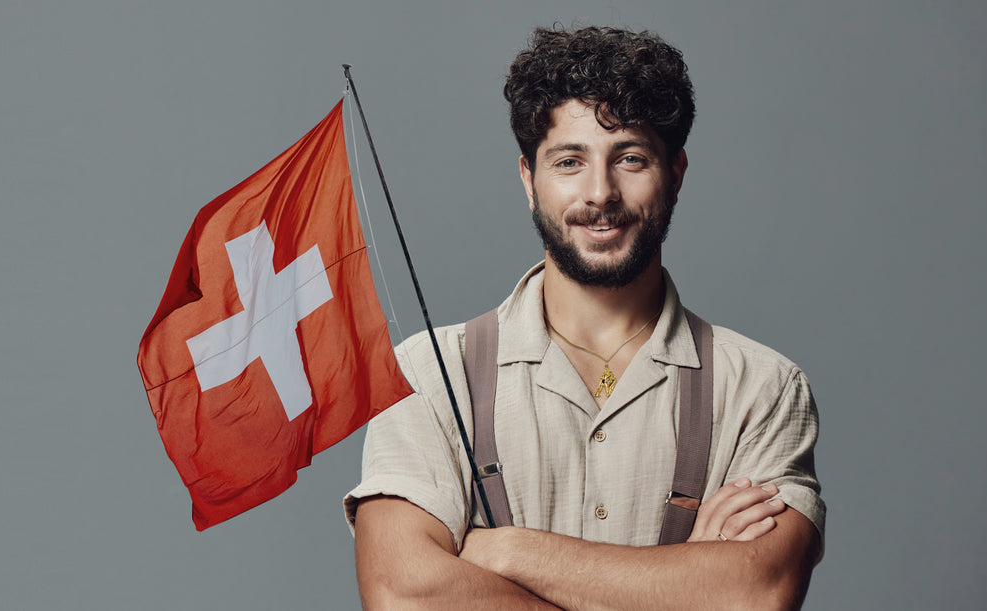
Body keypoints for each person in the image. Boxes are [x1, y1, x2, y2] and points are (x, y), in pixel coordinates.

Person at [345, 26, 824, 609]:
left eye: (630, 158)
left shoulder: (761, 387)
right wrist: (685, 582)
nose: (600, 192)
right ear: (529, 178)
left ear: (675, 173)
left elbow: (756, 592)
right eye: (570, 161)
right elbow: (403, 593)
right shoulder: (426, 374)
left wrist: (507, 552)